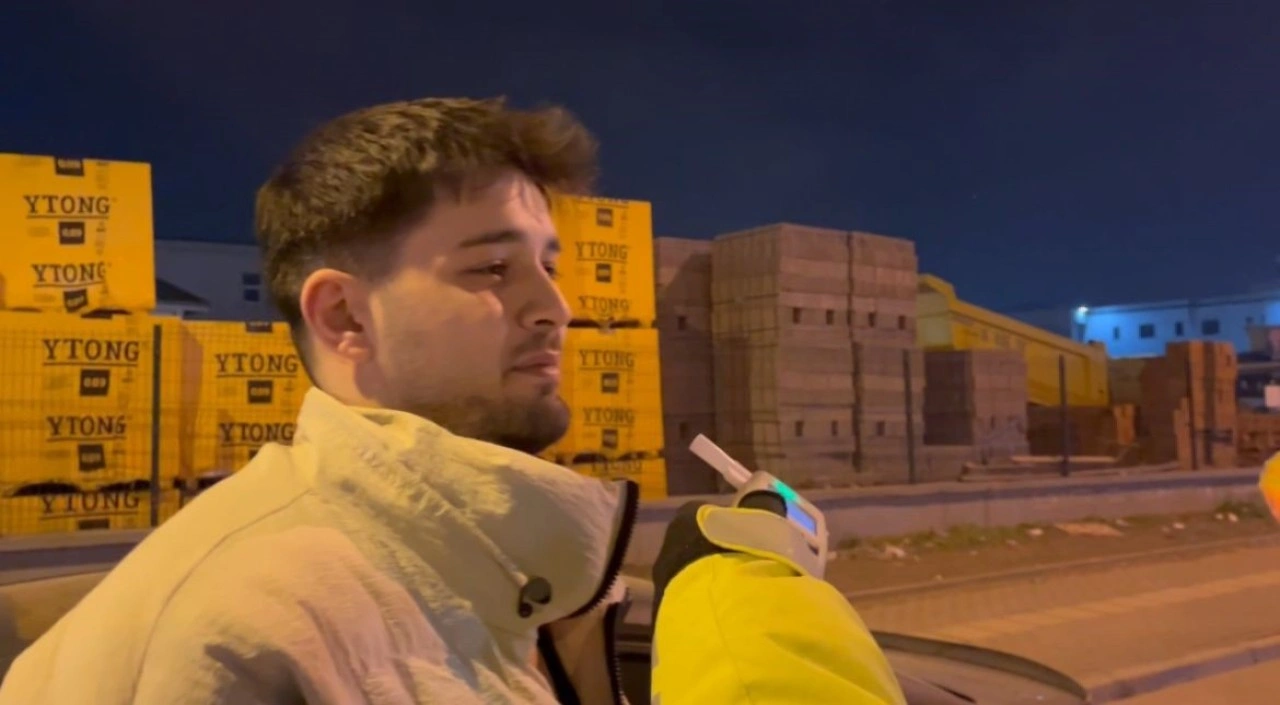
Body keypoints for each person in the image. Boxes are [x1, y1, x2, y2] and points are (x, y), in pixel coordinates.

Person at [0, 96, 902, 705]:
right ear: (345, 316)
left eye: (548, 264)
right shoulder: (240, 631)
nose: (557, 307)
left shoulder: (485, 568)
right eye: (493, 268)